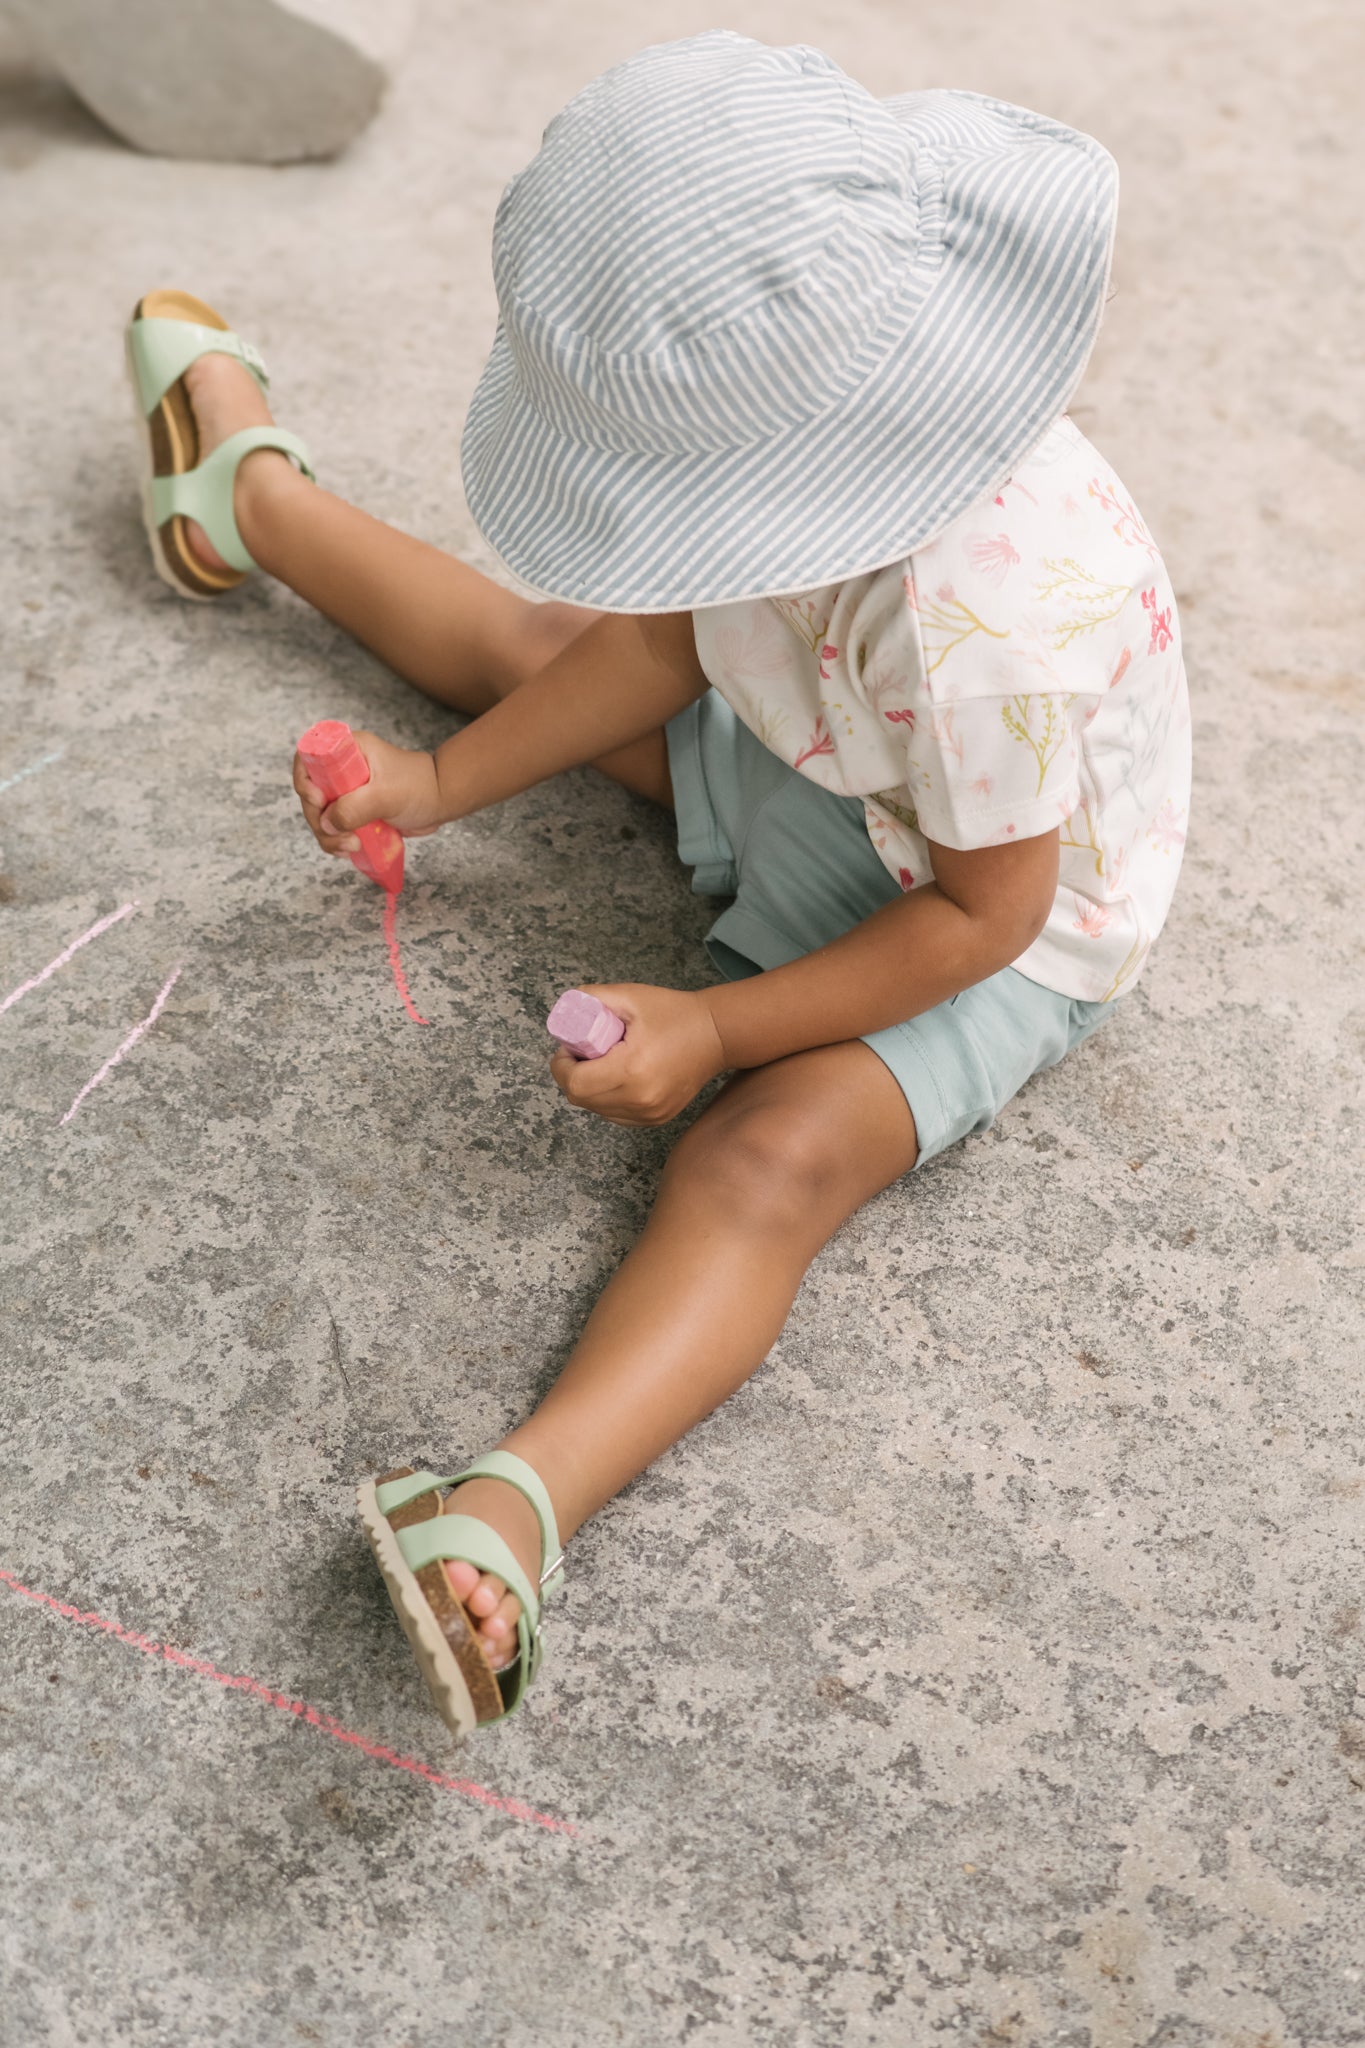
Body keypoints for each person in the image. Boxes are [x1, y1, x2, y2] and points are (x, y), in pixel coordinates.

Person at [124, 33, 1191, 1737]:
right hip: (834, 753)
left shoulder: (989, 627)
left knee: (767, 1155)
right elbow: (659, 642)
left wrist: (717, 1022)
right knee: (531, 650)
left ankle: (514, 1505)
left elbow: (978, 918)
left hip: (985, 907)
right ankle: (250, 497)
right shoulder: (797, 492)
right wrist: (441, 786)